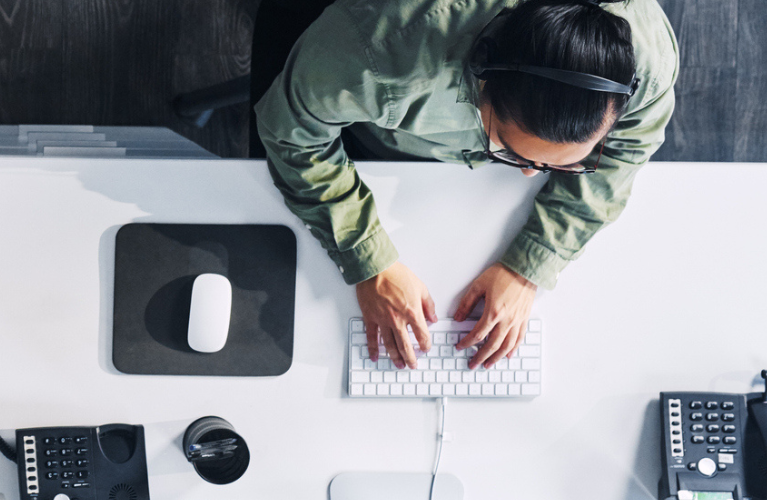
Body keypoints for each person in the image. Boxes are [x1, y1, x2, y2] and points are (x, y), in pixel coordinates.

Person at [256, 0, 676, 370]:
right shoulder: (377, 53)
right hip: (370, 128)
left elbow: (625, 153)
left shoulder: (647, 57)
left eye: (564, 161)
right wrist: (369, 260)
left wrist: (529, 266)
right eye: (512, 151)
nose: (531, 174)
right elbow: (293, 135)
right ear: (482, 80)